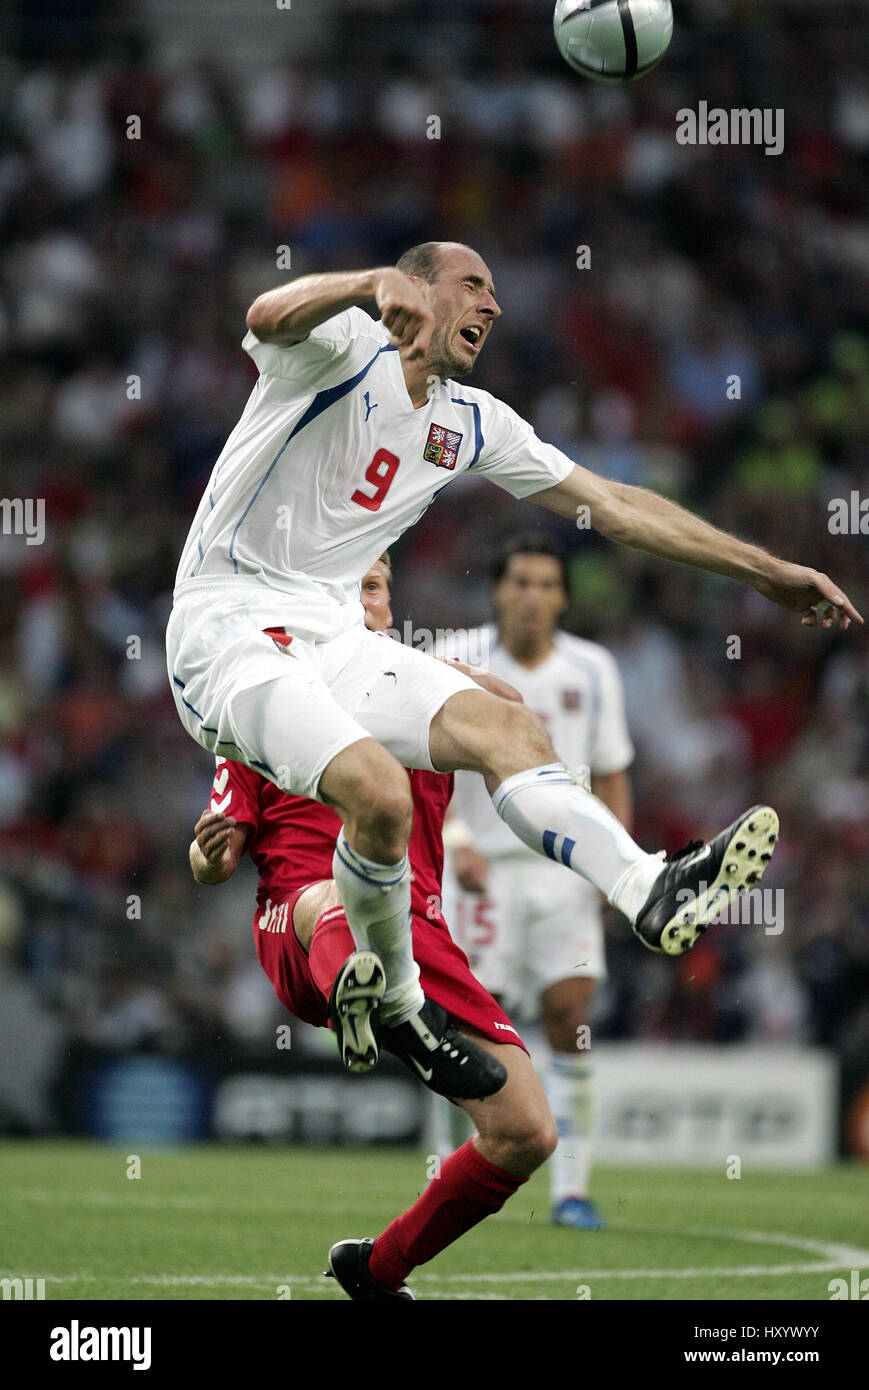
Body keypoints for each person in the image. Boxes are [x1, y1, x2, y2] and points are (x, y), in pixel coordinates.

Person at [167, 239, 859, 1108]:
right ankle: (405, 1008)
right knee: (378, 793)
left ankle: (645, 885)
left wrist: (762, 572)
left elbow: (612, 504)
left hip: (334, 634)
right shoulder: (342, 343)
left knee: (507, 727)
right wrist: (367, 283)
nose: (492, 307)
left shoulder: (471, 422)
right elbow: (264, 315)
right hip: (226, 626)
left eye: (497, 293)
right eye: (472, 286)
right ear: (417, 287)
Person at [189, 556, 558, 1300]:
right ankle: (387, 1011)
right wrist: (207, 852)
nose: (360, 596)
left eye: (374, 582)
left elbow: (511, 704)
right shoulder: (264, 692)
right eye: (341, 582)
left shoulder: (420, 693)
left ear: (389, 604)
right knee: (335, 893)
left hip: (418, 936)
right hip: (298, 922)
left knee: (526, 1131)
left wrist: (425, 676)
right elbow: (210, 854)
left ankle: (377, 1269)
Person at [437, 533, 634, 1230]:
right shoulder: (454, 657)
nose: (532, 596)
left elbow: (610, 772)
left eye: (547, 585)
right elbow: (423, 765)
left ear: (563, 598)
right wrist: (454, 841)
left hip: (562, 874)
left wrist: (616, 865)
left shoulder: (592, 668)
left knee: (568, 1020)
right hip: (476, 873)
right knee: (465, 1027)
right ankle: (451, 1174)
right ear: (497, 591)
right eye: (519, 582)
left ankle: (571, 1190)